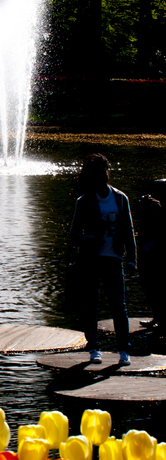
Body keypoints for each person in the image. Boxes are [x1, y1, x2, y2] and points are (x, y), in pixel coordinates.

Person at [70, 153, 136, 365]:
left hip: (114, 258)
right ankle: (94, 347)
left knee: (119, 306)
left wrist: (132, 259)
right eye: (95, 173)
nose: (101, 176)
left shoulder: (120, 198)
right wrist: (92, 239)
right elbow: (73, 235)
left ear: (107, 172)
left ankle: (124, 349)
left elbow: (128, 230)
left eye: (103, 171)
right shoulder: (84, 201)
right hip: (91, 259)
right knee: (91, 305)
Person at [137, 193, 166, 334]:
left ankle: (161, 319)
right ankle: (157, 317)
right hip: (147, 253)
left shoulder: (158, 214)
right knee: (150, 287)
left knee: (157, 288)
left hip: (154, 254)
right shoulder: (148, 216)